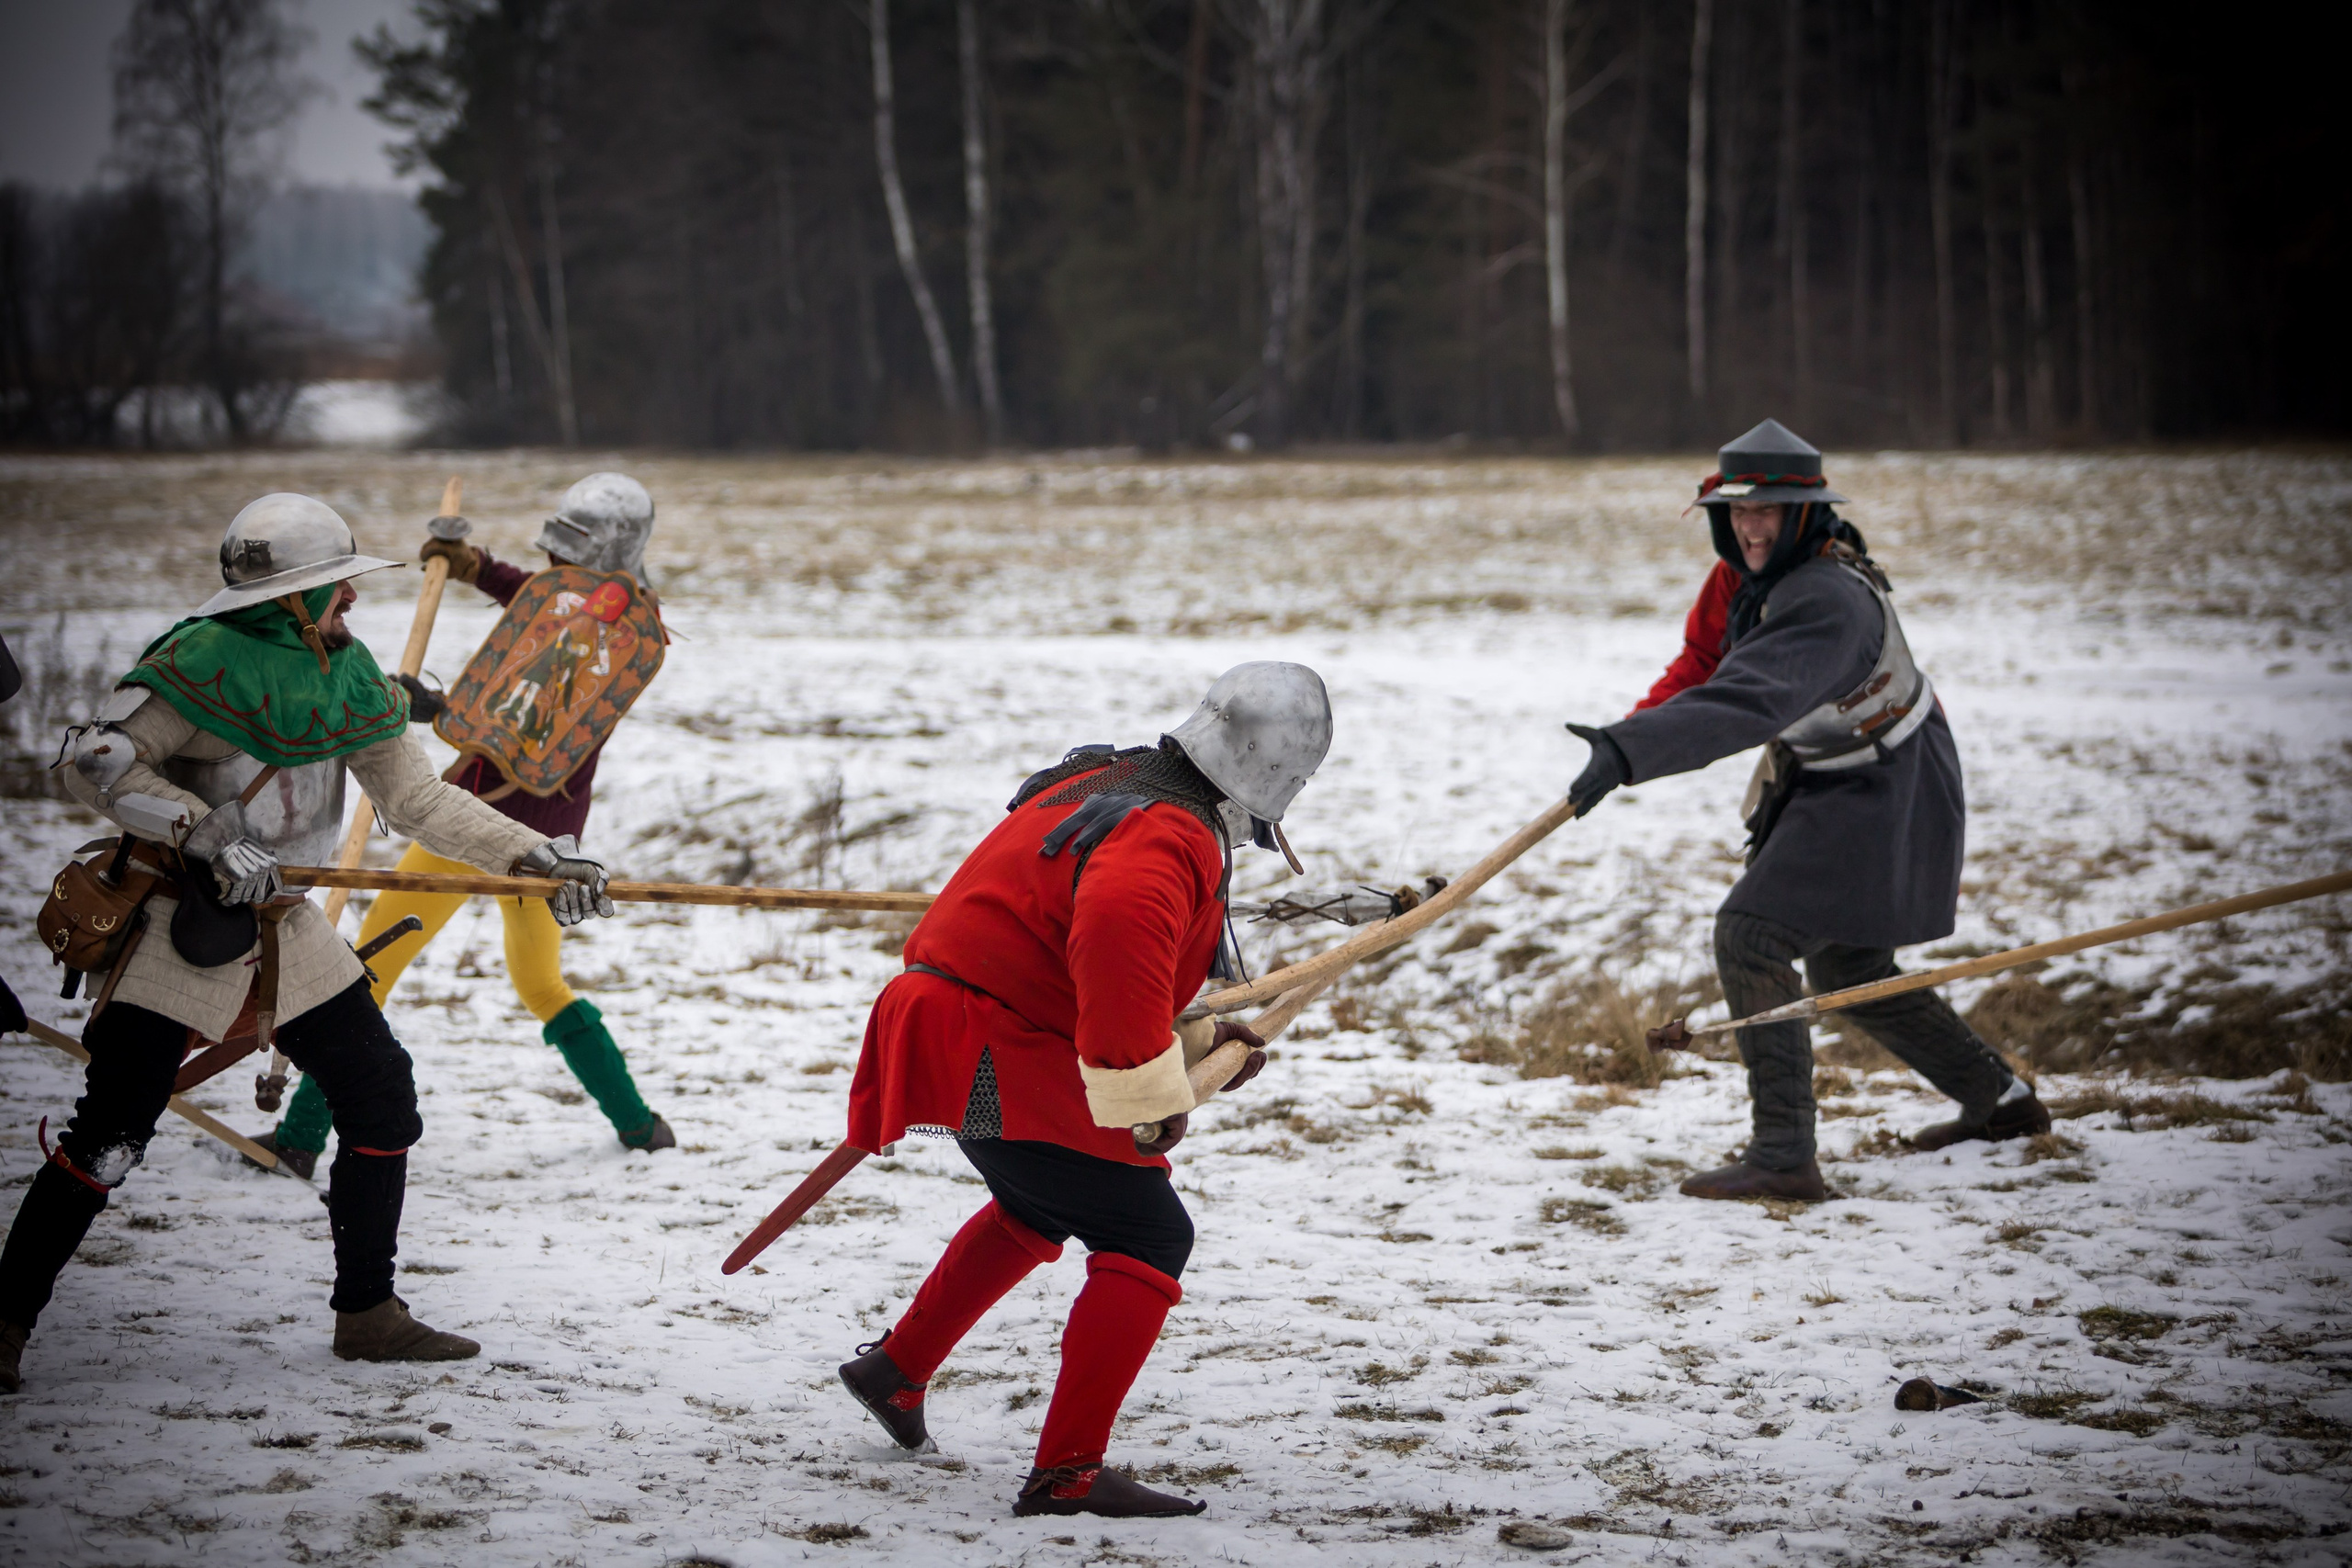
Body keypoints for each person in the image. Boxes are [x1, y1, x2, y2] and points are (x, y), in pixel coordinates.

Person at [0, 494, 616, 1393]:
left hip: (286, 923)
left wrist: (533, 855)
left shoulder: (349, 671)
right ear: (284, 599)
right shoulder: (197, 662)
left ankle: (368, 1314)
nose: (350, 601)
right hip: (183, 918)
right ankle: (6, 1321)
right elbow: (96, 763)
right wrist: (205, 830)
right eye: (330, 587)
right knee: (111, 1137)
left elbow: (418, 803)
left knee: (381, 1101)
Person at [836, 663, 1330, 1519]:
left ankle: (896, 1369)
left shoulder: (1112, 776)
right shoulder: (1164, 836)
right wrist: (1153, 1099)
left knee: (1039, 1202)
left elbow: (1095, 961)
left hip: (972, 1029)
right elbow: (1114, 948)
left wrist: (1207, 1038)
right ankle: (1066, 1473)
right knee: (1147, 1231)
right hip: (995, 1044)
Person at [1566, 420, 2048, 1201]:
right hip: (1832, 773)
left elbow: (1746, 698)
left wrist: (1633, 751)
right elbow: (1703, 665)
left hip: (1887, 779)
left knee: (1752, 934)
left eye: (1766, 514)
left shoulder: (1825, 598)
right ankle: (2004, 1102)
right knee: (1846, 961)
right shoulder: (1742, 579)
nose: (1751, 529)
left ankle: (1785, 1155)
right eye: (1738, 513)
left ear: (1803, 513)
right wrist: (1623, 743)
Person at [258, 475, 673, 1179]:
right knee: (542, 984)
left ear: (605, 548)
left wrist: (435, 710)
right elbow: (531, 608)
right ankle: (642, 1126)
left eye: (568, 553)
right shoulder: (594, 614)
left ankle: (300, 1138)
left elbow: (526, 725)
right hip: (549, 848)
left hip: (481, 831)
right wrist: (476, 566)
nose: (550, 568)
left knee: (365, 973)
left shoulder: (621, 634)